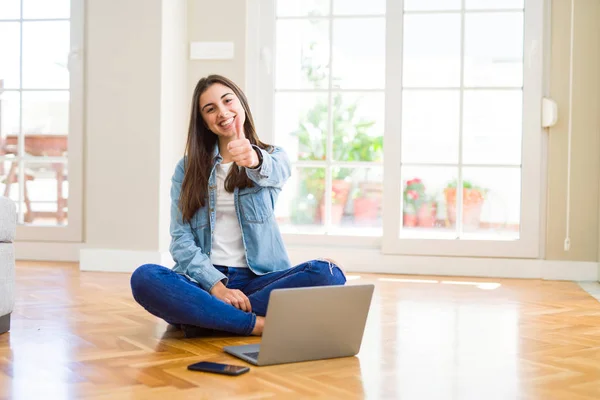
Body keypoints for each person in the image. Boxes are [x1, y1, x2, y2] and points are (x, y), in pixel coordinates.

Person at [130, 74, 346, 337]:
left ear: (241, 103)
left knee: (328, 273)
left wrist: (254, 159)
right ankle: (256, 324)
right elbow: (180, 239)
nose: (222, 112)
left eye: (227, 101)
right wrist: (217, 288)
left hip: (259, 281)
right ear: (205, 124)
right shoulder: (186, 169)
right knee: (145, 277)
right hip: (203, 282)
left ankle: (204, 318)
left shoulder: (272, 157)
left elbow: (276, 172)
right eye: (210, 109)